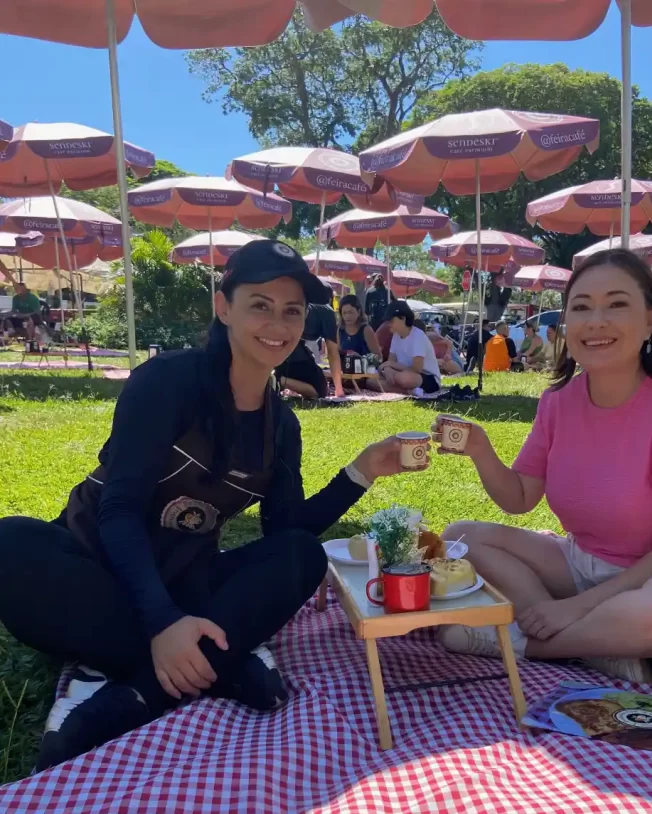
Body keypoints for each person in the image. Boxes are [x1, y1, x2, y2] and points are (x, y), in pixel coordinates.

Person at [0, 240, 412, 772]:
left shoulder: (280, 425)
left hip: (184, 580)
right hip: (95, 568)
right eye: (259, 304)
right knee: (10, 543)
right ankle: (222, 661)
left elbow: (285, 531)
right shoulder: (169, 382)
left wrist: (361, 473)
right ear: (224, 307)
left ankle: (133, 695)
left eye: (291, 311)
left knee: (302, 555)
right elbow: (119, 509)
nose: (278, 324)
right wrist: (163, 622)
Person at [436, 248, 652, 684]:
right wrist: (481, 450)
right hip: (583, 567)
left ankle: (524, 642)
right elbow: (520, 498)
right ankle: (598, 644)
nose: (595, 321)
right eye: (581, 307)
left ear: (650, 318)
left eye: (616, 304)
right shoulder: (558, 402)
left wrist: (575, 608)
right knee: (460, 538)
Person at [275, 285, 341, 399]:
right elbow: (332, 352)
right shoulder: (327, 312)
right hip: (289, 356)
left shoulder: (295, 306)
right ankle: (278, 380)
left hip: (280, 356)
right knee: (320, 391)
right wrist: (339, 390)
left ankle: (276, 379)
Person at [378, 300, 442, 395]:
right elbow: (391, 360)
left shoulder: (417, 336)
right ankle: (408, 391)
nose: (388, 325)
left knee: (406, 379)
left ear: (403, 318)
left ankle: (398, 388)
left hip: (426, 378)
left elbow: (417, 369)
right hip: (400, 373)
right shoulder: (396, 336)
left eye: (391, 321)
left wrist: (390, 365)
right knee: (371, 380)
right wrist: (387, 369)